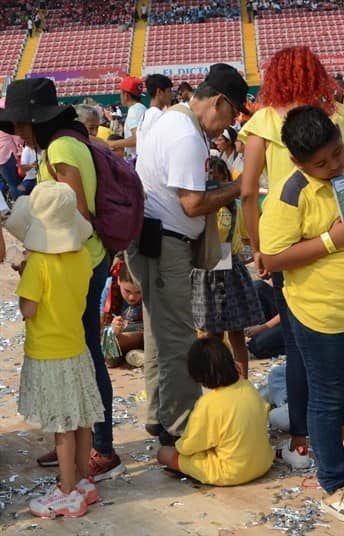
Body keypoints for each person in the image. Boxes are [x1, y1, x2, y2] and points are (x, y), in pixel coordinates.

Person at [239, 46, 344, 470]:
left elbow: (247, 191)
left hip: (290, 241)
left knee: (299, 347)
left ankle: (301, 439)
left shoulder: (263, 120)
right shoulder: (333, 113)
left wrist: (259, 246)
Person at [260, 105, 344, 525]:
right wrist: (331, 241)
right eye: (322, 163)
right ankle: (334, 484)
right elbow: (273, 258)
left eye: (337, 153)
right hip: (320, 315)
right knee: (328, 398)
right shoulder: (289, 193)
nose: (334, 165)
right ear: (298, 163)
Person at [0, 78, 125, 480]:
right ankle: (74, 443)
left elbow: (78, 213)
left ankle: (98, 448)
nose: (17, 131)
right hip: (78, 261)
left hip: (79, 264)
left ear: (38, 120)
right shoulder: (64, 145)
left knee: (83, 359)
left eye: (21, 123)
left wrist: (46, 256)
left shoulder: (61, 149)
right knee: (81, 356)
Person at [125, 64, 248, 446]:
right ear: (219, 102)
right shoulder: (185, 135)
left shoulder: (172, 121)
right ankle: (182, 425)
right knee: (178, 338)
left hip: (157, 240)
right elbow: (193, 204)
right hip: (166, 244)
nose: (226, 126)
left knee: (160, 332)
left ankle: (159, 415)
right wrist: (239, 188)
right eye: (230, 115)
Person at [5, 182, 104, 519]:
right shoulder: (81, 258)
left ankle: (65, 492)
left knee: (62, 426)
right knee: (81, 420)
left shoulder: (38, 265)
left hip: (48, 354)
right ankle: (83, 481)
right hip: (76, 349)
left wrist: (23, 272)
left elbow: (29, 310)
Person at [157, 337, 274, 485]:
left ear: (197, 373)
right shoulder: (247, 386)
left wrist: (178, 446)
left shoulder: (208, 403)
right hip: (263, 462)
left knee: (164, 454)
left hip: (231, 472)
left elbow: (188, 447)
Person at [191, 157, 263, 378]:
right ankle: (212, 376)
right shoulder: (199, 212)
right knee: (209, 332)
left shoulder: (234, 209)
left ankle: (242, 378)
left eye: (221, 181)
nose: (216, 187)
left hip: (230, 271)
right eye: (211, 182)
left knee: (236, 330)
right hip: (205, 272)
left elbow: (243, 238)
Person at [100, 257, 145, 368]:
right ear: (119, 280)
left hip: (141, 337)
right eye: (127, 291)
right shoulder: (108, 287)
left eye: (138, 292)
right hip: (115, 338)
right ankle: (129, 356)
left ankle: (134, 355)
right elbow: (98, 323)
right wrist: (113, 328)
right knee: (108, 341)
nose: (132, 297)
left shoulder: (150, 291)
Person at [108, 76, 147, 161]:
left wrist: (112, 144)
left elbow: (137, 138)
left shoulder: (134, 110)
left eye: (121, 93)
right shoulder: (142, 108)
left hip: (136, 161)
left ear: (126, 95)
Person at [136, 74, 173, 156]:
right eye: (169, 91)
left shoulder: (146, 114)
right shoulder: (158, 115)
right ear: (159, 92)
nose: (171, 95)